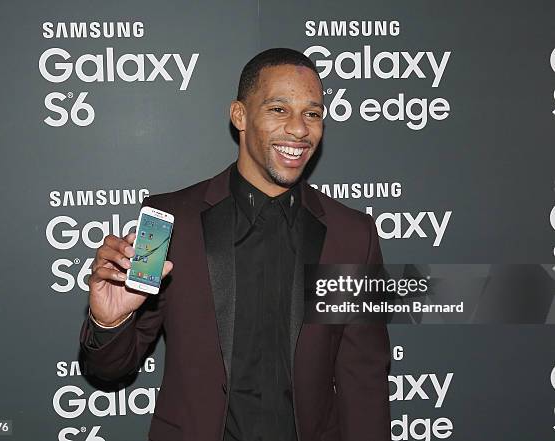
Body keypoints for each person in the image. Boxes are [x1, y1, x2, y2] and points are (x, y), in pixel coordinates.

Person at [80, 48, 391, 441]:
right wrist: (110, 323)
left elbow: (364, 381)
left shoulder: (352, 235)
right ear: (240, 116)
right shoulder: (168, 221)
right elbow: (110, 368)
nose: (299, 129)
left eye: (312, 113)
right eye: (279, 109)